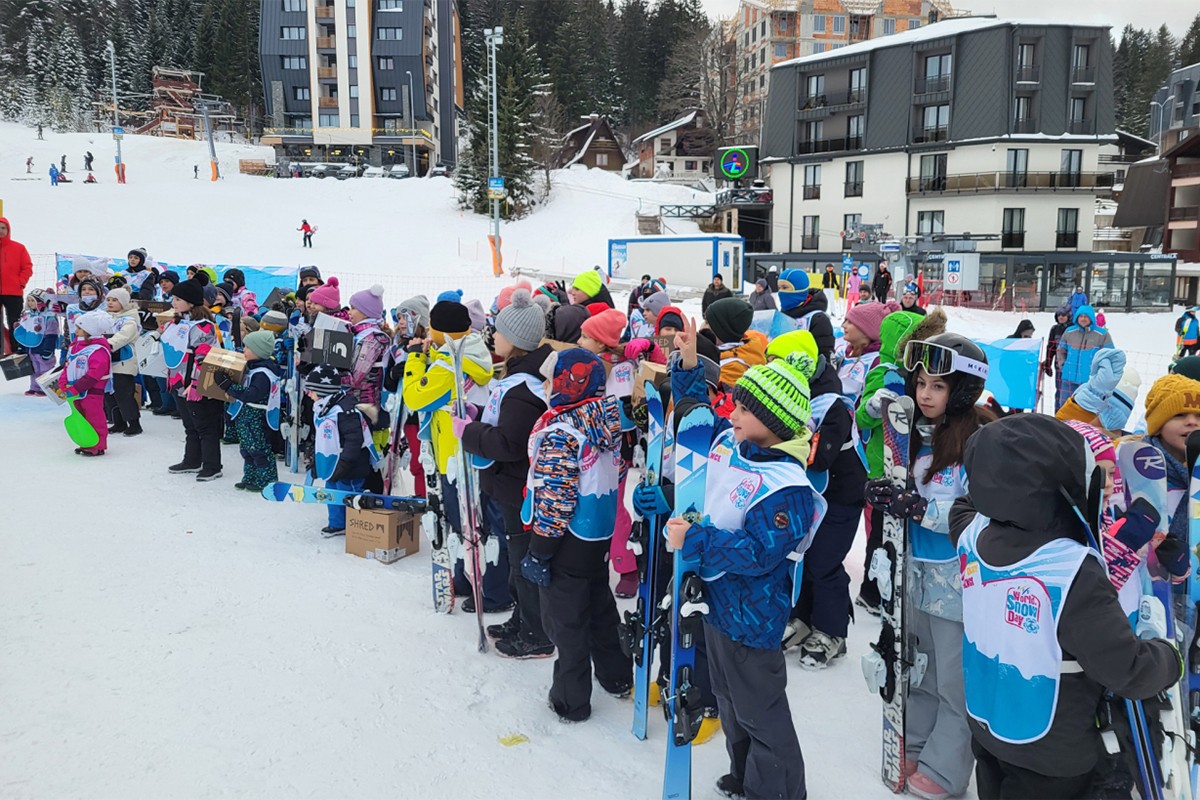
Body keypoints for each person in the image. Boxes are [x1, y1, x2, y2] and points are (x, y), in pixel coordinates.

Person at [951, 414, 1182, 799]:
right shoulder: (1071, 570)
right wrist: (1167, 656)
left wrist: (996, 472)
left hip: (988, 728)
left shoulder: (972, 535)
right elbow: (1128, 670)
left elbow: (966, 504)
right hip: (1052, 754)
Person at [666, 345, 823, 800]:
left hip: (753, 621)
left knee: (761, 711)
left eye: (743, 407)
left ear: (772, 423)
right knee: (731, 703)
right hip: (718, 607)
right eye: (733, 402)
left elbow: (759, 554)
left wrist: (695, 541)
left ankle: (776, 791)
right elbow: (698, 421)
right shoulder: (734, 446)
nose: (730, 412)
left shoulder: (788, 488)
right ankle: (744, 773)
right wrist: (692, 369)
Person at [865, 333, 994, 800]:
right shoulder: (912, 433)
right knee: (916, 668)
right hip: (911, 572)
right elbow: (898, 482)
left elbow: (977, 512)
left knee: (953, 683)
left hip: (955, 579)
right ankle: (914, 743)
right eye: (920, 383)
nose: (925, 394)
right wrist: (884, 491)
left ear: (960, 389)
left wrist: (919, 510)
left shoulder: (978, 440)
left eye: (938, 386)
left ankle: (946, 766)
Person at [519, 347, 631, 722]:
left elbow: (555, 497)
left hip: (565, 540)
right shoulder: (604, 421)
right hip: (596, 534)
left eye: (552, 379)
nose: (548, 386)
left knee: (566, 623)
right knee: (600, 608)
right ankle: (617, 675)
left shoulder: (561, 432)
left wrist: (540, 551)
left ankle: (571, 698)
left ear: (570, 383)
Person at [459, 289, 554, 658]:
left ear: (514, 340)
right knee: (516, 557)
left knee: (521, 556)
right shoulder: (520, 375)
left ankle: (537, 632)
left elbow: (510, 444)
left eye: (497, 332)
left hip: (518, 487)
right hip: (509, 485)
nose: (492, 337)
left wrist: (469, 432)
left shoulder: (523, 389)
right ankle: (523, 617)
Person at [403, 296, 509, 612]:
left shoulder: (449, 365)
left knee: (475, 521)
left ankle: (493, 590)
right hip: (466, 450)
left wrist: (414, 362)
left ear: (442, 331)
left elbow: (415, 398)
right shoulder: (469, 351)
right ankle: (469, 577)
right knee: (467, 519)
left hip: (457, 455)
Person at [855, 308, 947, 613]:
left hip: (910, 462)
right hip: (884, 465)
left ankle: (896, 585)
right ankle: (872, 591)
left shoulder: (916, 374)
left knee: (902, 529)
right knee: (882, 532)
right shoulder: (881, 372)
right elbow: (861, 420)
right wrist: (871, 406)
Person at [305, 364, 388, 536]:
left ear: (322, 390)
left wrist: (345, 463)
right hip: (334, 462)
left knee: (347, 492)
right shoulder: (324, 408)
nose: (308, 394)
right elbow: (323, 440)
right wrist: (317, 463)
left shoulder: (343, 411)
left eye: (311, 390)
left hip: (351, 465)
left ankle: (356, 524)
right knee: (331, 491)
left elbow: (354, 439)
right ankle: (337, 523)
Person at [164, 279, 224, 481]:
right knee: (190, 425)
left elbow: (204, 358)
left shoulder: (203, 327)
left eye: (178, 299)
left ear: (191, 303)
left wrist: (197, 385)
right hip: (179, 382)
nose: (174, 302)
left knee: (205, 426)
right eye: (173, 298)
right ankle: (192, 459)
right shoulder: (177, 322)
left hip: (195, 384)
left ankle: (212, 465)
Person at [59, 310, 114, 457]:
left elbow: (94, 375)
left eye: (79, 328)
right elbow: (68, 365)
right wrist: (63, 382)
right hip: (76, 391)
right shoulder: (75, 346)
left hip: (92, 391)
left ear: (90, 330)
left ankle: (98, 445)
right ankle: (86, 442)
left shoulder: (98, 350)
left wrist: (76, 388)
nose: (76, 331)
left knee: (94, 417)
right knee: (82, 417)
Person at [103, 287, 143, 437]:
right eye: (108, 300)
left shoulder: (130, 320)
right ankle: (118, 422)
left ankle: (134, 423)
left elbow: (122, 337)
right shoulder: (106, 317)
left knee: (123, 393)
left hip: (124, 362)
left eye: (115, 300)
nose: (110, 303)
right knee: (110, 393)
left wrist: (105, 344)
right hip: (107, 361)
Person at [1055, 305, 1113, 408]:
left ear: (1091, 318)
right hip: (1068, 379)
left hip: (1089, 382)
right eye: (1080, 316)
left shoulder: (1102, 334)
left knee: (1085, 410)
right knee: (1065, 408)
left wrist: (1100, 374)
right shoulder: (1069, 332)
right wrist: (1063, 365)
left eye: (1086, 316)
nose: (1083, 319)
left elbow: (1110, 356)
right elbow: (1061, 350)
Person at [704, 297, 766, 389]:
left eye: (707, 323)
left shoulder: (733, 368)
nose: (702, 326)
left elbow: (710, 397)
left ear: (720, 331)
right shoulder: (722, 351)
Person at [838, 301, 892, 402]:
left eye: (850, 322)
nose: (843, 325)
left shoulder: (876, 360)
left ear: (865, 332)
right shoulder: (844, 352)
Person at [777, 268, 836, 359]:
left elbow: (824, 358)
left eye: (785, 287)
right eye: (779, 288)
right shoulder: (782, 315)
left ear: (799, 288)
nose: (781, 292)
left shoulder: (818, 319)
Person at [16, 289, 59, 396]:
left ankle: (47, 388)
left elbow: (51, 335)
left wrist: (48, 350)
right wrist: (21, 347)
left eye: (33, 300)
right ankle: (34, 387)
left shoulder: (48, 317)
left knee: (45, 368)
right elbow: (24, 332)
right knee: (34, 369)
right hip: (31, 348)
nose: (30, 303)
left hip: (43, 348)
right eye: (29, 300)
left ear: (41, 302)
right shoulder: (27, 316)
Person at [0, 216, 34, 353]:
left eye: (3, 228)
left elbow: (27, 267)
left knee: (15, 322)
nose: (1, 231)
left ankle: (16, 351)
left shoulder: (19, 248)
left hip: (14, 292)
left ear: (8, 230)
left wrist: (20, 283)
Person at [1045, 305, 1070, 406]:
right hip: (1059, 366)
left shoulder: (1072, 329)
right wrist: (1048, 364)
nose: (1061, 317)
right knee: (1059, 391)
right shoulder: (1055, 329)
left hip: (1071, 366)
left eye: (1063, 315)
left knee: (1069, 392)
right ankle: (1058, 414)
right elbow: (1050, 348)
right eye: (1058, 315)